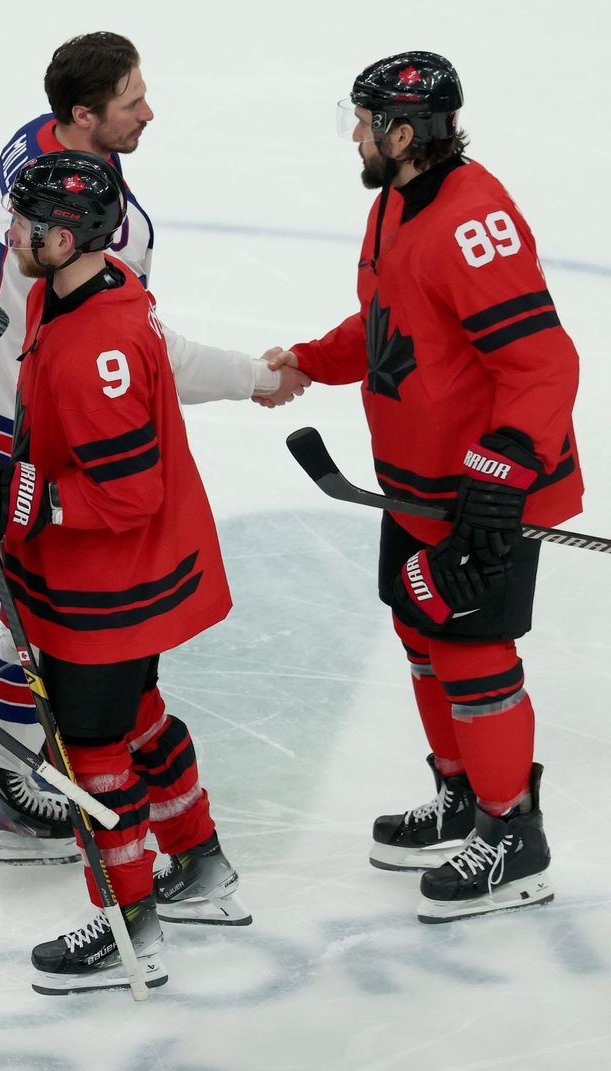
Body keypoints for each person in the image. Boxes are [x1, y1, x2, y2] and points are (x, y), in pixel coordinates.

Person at [0, 30, 263, 929]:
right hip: (21, 428)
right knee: (50, 643)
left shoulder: (30, 150)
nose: (149, 111)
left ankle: (22, 793)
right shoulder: (106, 243)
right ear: (81, 117)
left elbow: (127, 416)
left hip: (15, 426)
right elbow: (140, 361)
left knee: (61, 662)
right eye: (131, 100)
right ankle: (11, 783)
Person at [270, 52, 581, 922]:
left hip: (481, 492)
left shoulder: (473, 222)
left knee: (472, 648)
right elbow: (395, 323)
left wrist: (499, 481)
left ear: (404, 134)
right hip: (416, 484)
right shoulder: (395, 203)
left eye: (366, 122)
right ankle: (458, 793)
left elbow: (544, 363)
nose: (358, 136)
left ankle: (512, 831)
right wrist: (311, 360)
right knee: (419, 626)